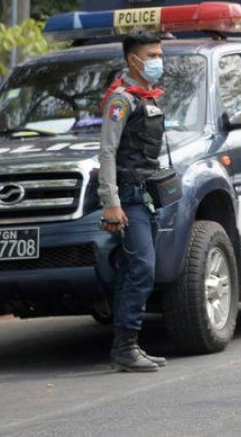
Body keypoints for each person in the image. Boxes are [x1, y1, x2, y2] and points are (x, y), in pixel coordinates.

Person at [99, 30, 169, 373]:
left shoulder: (149, 97)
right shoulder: (121, 99)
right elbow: (107, 151)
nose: (158, 60)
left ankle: (126, 347)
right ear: (133, 60)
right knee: (142, 267)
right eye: (152, 55)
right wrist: (111, 202)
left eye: (159, 54)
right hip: (128, 196)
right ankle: (126, 347)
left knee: (133, 270)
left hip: (146, 194)